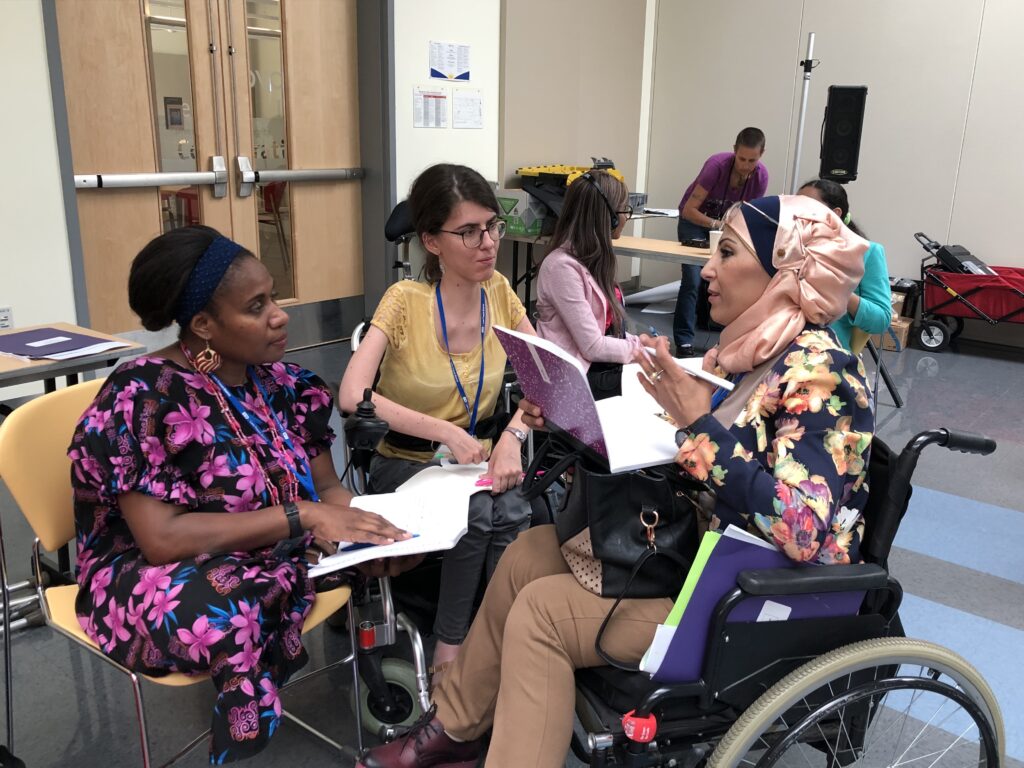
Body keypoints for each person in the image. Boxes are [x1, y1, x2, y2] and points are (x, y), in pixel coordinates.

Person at [355, 195, 874, 768]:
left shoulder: (822, 373)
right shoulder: (754, 354)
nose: (707, 270)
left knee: (543, 615)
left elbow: (801, 530)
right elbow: (709, 452)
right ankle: (456, 729)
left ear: (787, 275)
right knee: (526, 554)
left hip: (751, 599)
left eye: (726, 253)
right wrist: (597, 424)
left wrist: (695, 426)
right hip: (697, 559)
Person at [68, 226, 409, 763]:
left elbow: (327, 489)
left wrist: (379, 529)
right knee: (226, 610)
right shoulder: (142, 397)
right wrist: (302, 517)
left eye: (273, 296)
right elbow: (160, 540)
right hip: (146, 567)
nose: (279, 315)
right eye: (256, 306)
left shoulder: (282, 384)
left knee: (375, 551)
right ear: (203, 324)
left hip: (270, 544)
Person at [339, 163, 536, 674]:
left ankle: (497, 635)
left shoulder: (500, 293)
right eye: (468, 232)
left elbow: (546, 380)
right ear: (431, 241)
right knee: (478, 515)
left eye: (492, 226)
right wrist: (446, 431)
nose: (488, 243)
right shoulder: (405, 301)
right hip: (406, 461)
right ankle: (451, 649)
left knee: (513, 510)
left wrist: (513, 436)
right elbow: (352, 395)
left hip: (477, 460)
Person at [534, 169, 641, 399]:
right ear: (609, 217)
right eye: (624, 210)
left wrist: (642, 344)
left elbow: (606, 335)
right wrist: (641, 349)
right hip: (571, 381)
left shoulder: (593, 260)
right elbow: (593, 346)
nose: (626, 217)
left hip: (593, 370)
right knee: (656, 386)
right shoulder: (561, 268)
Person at [673, 127, 769, 357]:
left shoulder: (761, 176)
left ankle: (728, 341)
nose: (746, 165)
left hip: (726, 227)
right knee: (692, 280)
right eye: (742, 159)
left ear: (761, 155)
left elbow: (749, 216)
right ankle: (684, 342)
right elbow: (689, 210)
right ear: (734, 150)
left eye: (752, 161)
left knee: (732, 278)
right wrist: (718, 225)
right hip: (695, 222)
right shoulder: (716, 166)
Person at [799, 178, 892, 352]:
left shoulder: (868, 252)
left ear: (835, 215)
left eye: (808, 209)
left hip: (825, 354)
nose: (798, 215)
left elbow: (881, 320)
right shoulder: (787, 246)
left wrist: (841, 292)